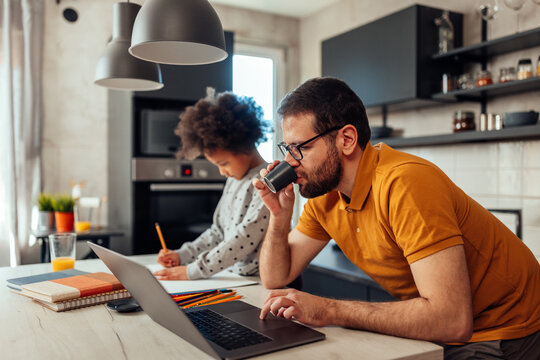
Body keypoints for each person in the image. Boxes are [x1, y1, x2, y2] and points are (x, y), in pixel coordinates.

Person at [252, 77, 540, 359]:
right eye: (287, 149)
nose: (290, 162)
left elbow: (452, 320)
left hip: (507, 329)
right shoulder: (326, 195)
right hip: (449, 328)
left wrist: (327, 310)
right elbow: (276, 277)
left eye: (300, 148)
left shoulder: (405, 183)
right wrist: (279, 216)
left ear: (347, 140)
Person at [154, 89, 271, 280]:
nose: (222, 172)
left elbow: (244, 238)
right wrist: (182, 255)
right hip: (234, 275)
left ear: (244, 145)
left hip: (259, 280)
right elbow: (218, 232)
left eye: (223, 164)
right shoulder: (234, 180)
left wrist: (194, 270)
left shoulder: (266, 180)